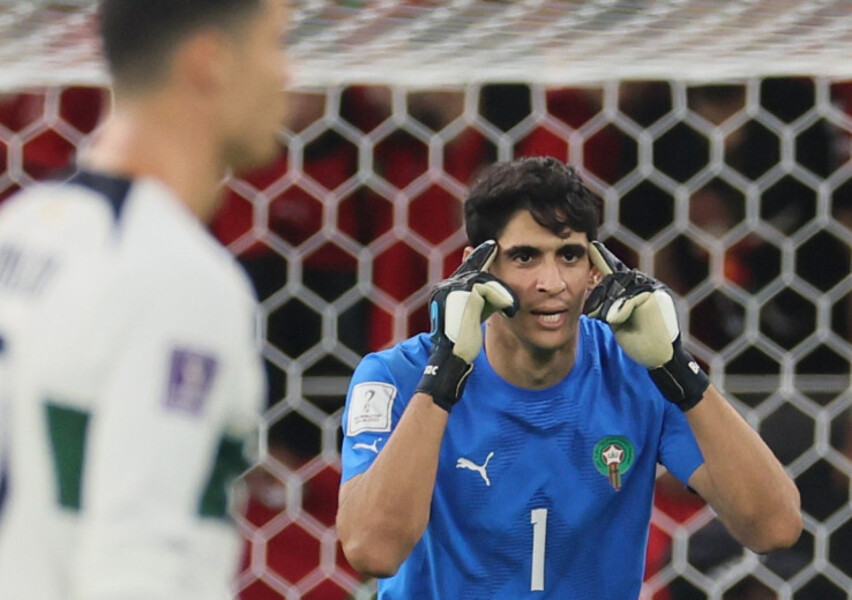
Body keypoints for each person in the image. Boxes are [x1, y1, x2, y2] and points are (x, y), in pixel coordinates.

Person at [336, 156, 802, 598]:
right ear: (475, 268)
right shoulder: (398, 376)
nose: (552, 282)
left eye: (569, 255)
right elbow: (371, 550)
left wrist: (677, 367)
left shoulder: (639, 371)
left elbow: (774, 527)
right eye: (524, 257)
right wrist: (445, 374)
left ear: (595, 269)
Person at [0, 0, 289, 598]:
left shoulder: (17, 229)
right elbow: (137, 565)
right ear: (210, 61)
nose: (287, 75)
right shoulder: (177, 278)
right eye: (275, 44)